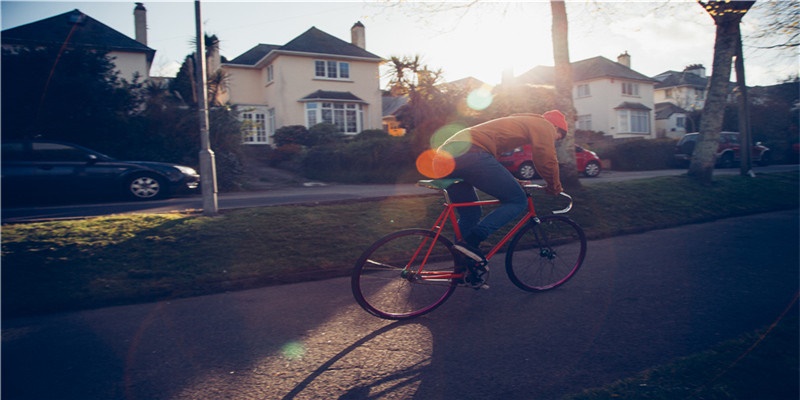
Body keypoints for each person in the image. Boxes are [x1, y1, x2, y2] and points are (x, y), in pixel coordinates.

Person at [436, 111, 567, 285]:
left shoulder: (520, 122)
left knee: (471, 213)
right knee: (517, 200)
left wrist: (513, 181)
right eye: (558, 137)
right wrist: (554, 186)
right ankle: (472, 241)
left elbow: (491, 165)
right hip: (470, 153)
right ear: (556, 127)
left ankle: (464, 268)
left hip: (443, 157)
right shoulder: (545, 125)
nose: (555, 139)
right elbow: (545, 156)